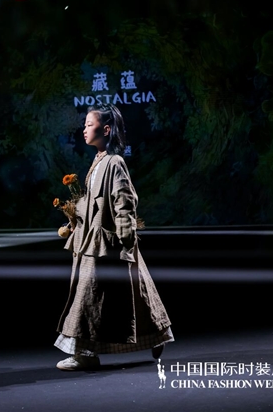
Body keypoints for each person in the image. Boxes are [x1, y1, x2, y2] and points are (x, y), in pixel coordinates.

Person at [55, 103, 174, 371]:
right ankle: (156, 334)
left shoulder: (114, 162)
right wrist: (74, 214)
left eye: (89, 124)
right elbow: (95, 202)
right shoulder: (98, 161)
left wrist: (126, 239)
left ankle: (85, 353)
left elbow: (124, 200)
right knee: (128, 293)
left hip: (107, 242)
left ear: (106, 129)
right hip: (93, 240)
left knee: (91, 294)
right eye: (85, 125)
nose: (84, 129)